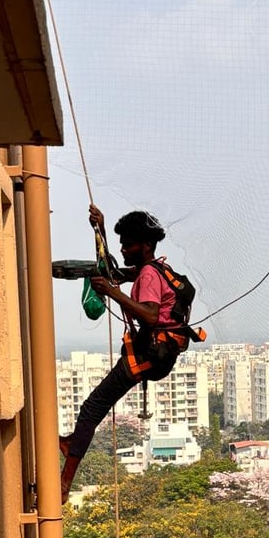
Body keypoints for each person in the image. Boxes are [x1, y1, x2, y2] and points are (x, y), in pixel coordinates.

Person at [59, 204, 185, 502]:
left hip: (149, 353)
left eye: (128, 244)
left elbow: (151, 317)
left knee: (92, 407)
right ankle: (70, 450)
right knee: (94, 407)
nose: (124, 249)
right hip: (156, 352)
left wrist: (114, 293)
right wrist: (99, 230)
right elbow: (112, 270)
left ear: (145, 245)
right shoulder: (154, 269)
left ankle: (65, 479)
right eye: (122, 244)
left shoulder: (150, 276)